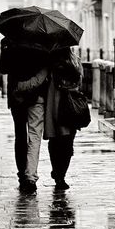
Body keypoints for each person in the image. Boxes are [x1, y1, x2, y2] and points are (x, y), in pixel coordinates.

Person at [0, 38, 48, 193]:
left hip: (17, 96)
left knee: (20, 135)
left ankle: (22, 175)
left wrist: (5, 47)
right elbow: (46, 69)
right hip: (36, 97)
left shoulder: (10, 41)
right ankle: (30, 177)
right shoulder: (43, 43)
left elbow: (4, 68)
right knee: (34, 137)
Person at [44, 47, 83, 190]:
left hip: (54, 107)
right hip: (69, 108)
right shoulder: (76, 63)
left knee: (55, 143)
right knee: (67, 144)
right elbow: (79, 84)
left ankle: (58, 173)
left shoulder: (49, 64)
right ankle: (61, 175)